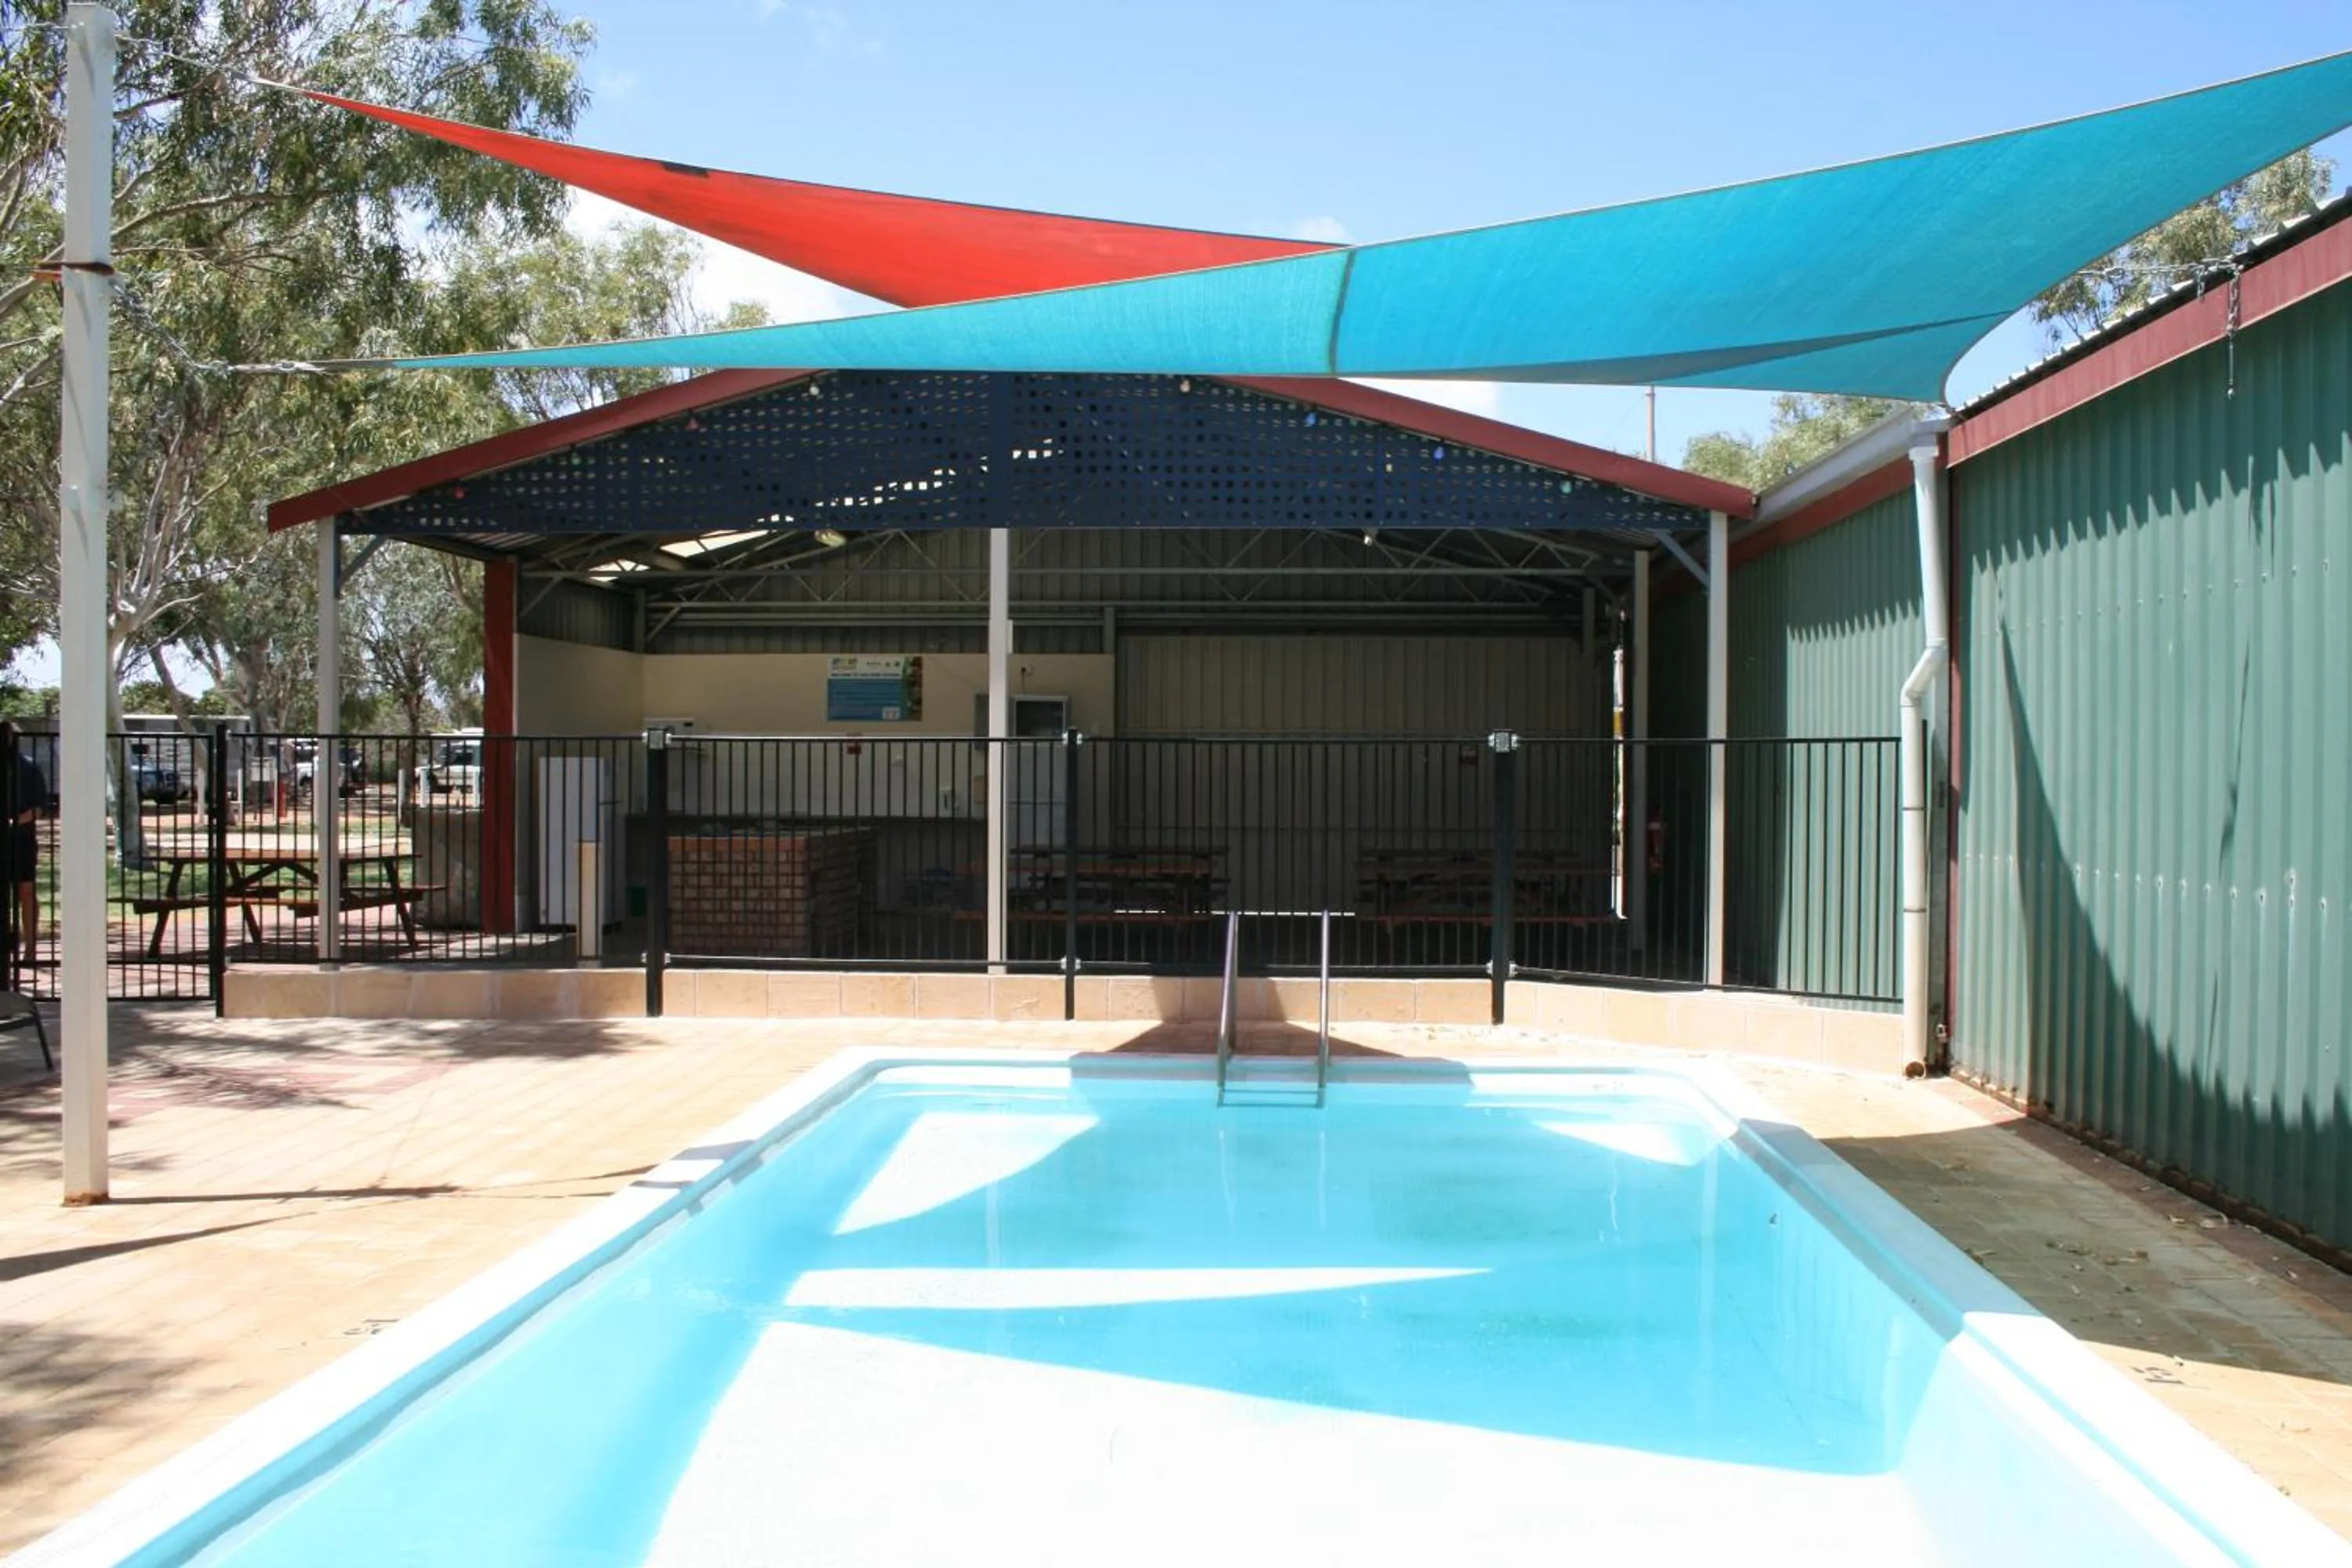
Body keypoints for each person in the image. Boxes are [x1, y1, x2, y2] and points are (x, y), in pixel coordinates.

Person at [1, 721, 42, 975]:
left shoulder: (28, 767)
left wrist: (16, 822)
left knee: (26, 891)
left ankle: (30, 949)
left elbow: (38, 807)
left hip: (22, 838)